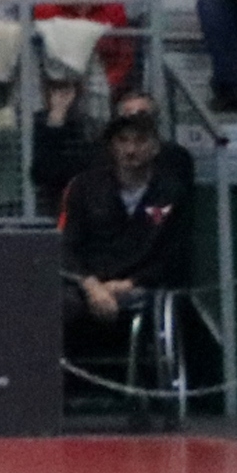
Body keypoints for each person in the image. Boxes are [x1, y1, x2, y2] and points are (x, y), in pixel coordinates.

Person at [58, 107, 192, 427]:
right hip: (87, 283)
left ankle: (145, 393)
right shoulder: (84, 188)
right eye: (123, 141)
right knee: (55, 305)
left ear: (155, 147)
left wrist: (130, 283)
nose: (131, 149)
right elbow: (66, 246)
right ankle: (55, 393)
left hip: (141, 285)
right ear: (112, 146)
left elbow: (174, 256)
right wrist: (90, 285)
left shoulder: (172, 191)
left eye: (140, 140)